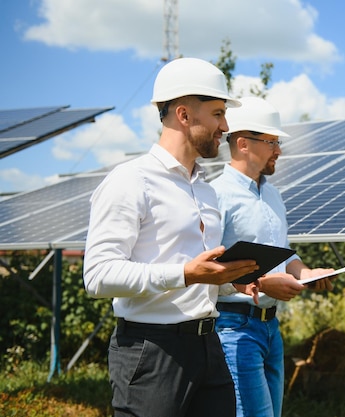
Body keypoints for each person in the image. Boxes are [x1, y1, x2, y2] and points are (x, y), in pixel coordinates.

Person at [83, 57, 260, 417]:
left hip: (209, 347)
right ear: (183, 115)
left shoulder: (206, 190)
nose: (226, 126)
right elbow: (98, 276)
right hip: (151, 351)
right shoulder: (131, 180)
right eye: (217, 114)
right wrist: (185, 274)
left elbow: (200, 272)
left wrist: (229, 282)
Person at [211, 96, 334, 417]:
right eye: (271, 142)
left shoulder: (273, 194)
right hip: (234, 328)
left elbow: (285, 253)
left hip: (271, 330)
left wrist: (305, 273)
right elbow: (207, 268)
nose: (278, 150)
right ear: (243, 144)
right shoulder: (216, 195)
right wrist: (263, 284)